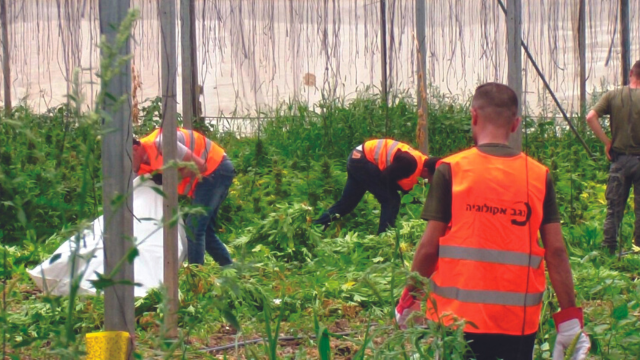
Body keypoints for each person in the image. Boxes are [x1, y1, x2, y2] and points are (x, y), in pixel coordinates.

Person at [395, 83, 590, 360]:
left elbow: (429, 248)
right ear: (516, 124)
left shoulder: (451, 170)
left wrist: (409, 299)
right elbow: (556, 252)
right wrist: (569, 321)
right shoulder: (538, 176)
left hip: (455, 320)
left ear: (473, 116)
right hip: (517, 323)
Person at [133, 127, 234, 267]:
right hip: (211, 175)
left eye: (127, 158)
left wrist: (170, 178)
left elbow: (200, 167)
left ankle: (195, 278)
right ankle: (230, 270)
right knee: (205, 232)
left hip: (215, 169)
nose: (127, 165)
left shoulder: (162, 143)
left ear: (134, 148)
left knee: (194, 227)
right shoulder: (141, 163)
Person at [314, 139, 439, 234]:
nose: (430, 182)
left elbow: (408, 193)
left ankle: (316, 225)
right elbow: (385, 177)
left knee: (347, 204)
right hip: (362, 159)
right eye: (432, 179)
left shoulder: (420, 165)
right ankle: (384, 238)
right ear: (427, 171)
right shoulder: (409, 163)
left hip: (357, 157)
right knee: (391, 200)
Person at [586, 60, 640, 253]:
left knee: (614, 208)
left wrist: (607, 142)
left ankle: (608, 249)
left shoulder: (613, 95)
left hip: (619, 160)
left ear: (631, 72)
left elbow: (590, 117)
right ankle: (637, 250)